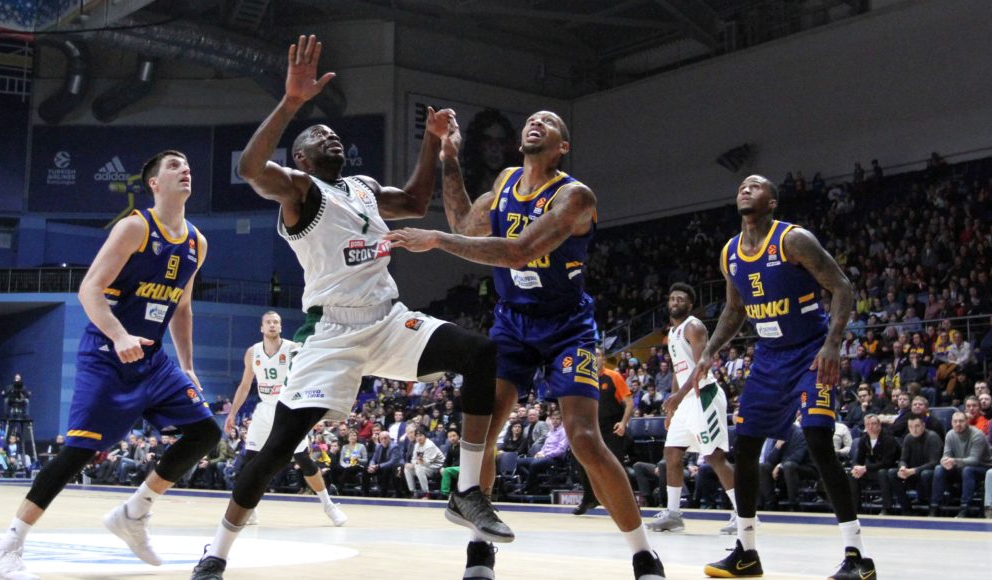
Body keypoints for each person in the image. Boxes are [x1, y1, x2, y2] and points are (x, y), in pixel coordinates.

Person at [190, 36, 509, 580]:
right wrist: (292, 102)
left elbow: (415, 202)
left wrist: (432, 142)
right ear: (301, 158)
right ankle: (216, 553)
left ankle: (466, 492)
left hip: (387, 320)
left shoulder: (361, 187)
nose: (330, 135)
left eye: (333, 133)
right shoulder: (300, 191)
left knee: (480, 354)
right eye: (318, 135)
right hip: (332, 335)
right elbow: (250, 168)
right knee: (275, 451)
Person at [385, 109, 665, 578]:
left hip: (567, 326)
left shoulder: (575, 196)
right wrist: (449, 156)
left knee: (584, 438)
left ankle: (643, 554)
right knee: (483, 431)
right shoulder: (506, 182)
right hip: (513, 323)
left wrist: (435, 240)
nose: (537, 122)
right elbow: (464, 224)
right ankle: (480, 551)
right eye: (532, 119)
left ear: (562, 146)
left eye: (549, 122)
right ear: (520, 141)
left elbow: (520, 251)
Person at [0, 150, 223, 579]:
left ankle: (134, 513)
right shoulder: (135, 227)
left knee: (206, 432)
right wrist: (119, 335)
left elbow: (182, 308)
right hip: (107, 354)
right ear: (154, 183)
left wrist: (187, 365)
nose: (185, 169)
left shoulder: (196, 243)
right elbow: (89, 289)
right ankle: (7, 547)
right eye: (173, 165)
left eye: (187, 164)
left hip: (154, 360)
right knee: (79, 451)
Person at [693, 175, 874, 578]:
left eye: (755, 186)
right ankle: (746, 552)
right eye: (741, 186)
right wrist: (709, 351)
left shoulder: (793, 240)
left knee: (818, 440)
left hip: (810, 352)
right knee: (745, 446)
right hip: (769, 358)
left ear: (772, 202)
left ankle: (857, 556)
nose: (745, 189)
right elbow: (734, 310)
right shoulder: (729, 253)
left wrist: (832, 344)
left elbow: (842, 287)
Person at [224, 311, 347, 526]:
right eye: (268, 322)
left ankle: (329, 506)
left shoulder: (292, 349)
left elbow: (310, 376)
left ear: (280, 327)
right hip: (264, 409)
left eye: (276, 322)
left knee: (303, 460)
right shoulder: (252, 352)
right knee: (250, 461)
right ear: (261, 327)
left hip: (288, 407)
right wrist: (232, 413)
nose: (272, 325)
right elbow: (245, 385)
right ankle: (250, 510)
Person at [648, 284, 740, 534]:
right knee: (672, 453)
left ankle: (743, 514)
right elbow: (678, 372)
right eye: (672, 298)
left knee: (714, 456)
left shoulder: (694, 326)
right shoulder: (672, 333)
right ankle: (674, 515)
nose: (675, 302)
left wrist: (678, 397)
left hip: (704, 395)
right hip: (686, 400)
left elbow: (702, 368)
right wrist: (672, 409)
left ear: (689, 305)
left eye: (680, 299)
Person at [572, 346, 634, 516]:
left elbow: (629, 402)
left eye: (598, 355)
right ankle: (589, 498)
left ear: (603, 359)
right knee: (581, 460)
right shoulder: (585, 379)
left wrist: (623, 423)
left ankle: (628, 503)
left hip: (612, 428)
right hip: (592, 428)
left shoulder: (613, 376)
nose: (594, 358)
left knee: (616, 467)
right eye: (592, 355)